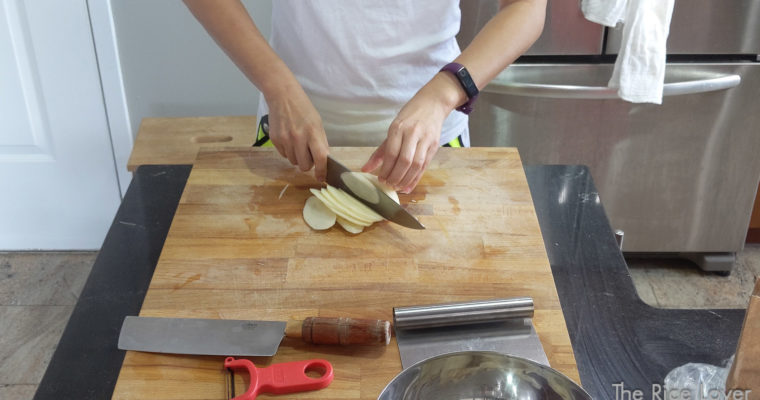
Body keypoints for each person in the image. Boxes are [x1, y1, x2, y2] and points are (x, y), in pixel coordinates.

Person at [184, 0, 545, 193]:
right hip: (290, 139)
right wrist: (277, 85)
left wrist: (442, 94)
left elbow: (527, 6)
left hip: (431, 143)